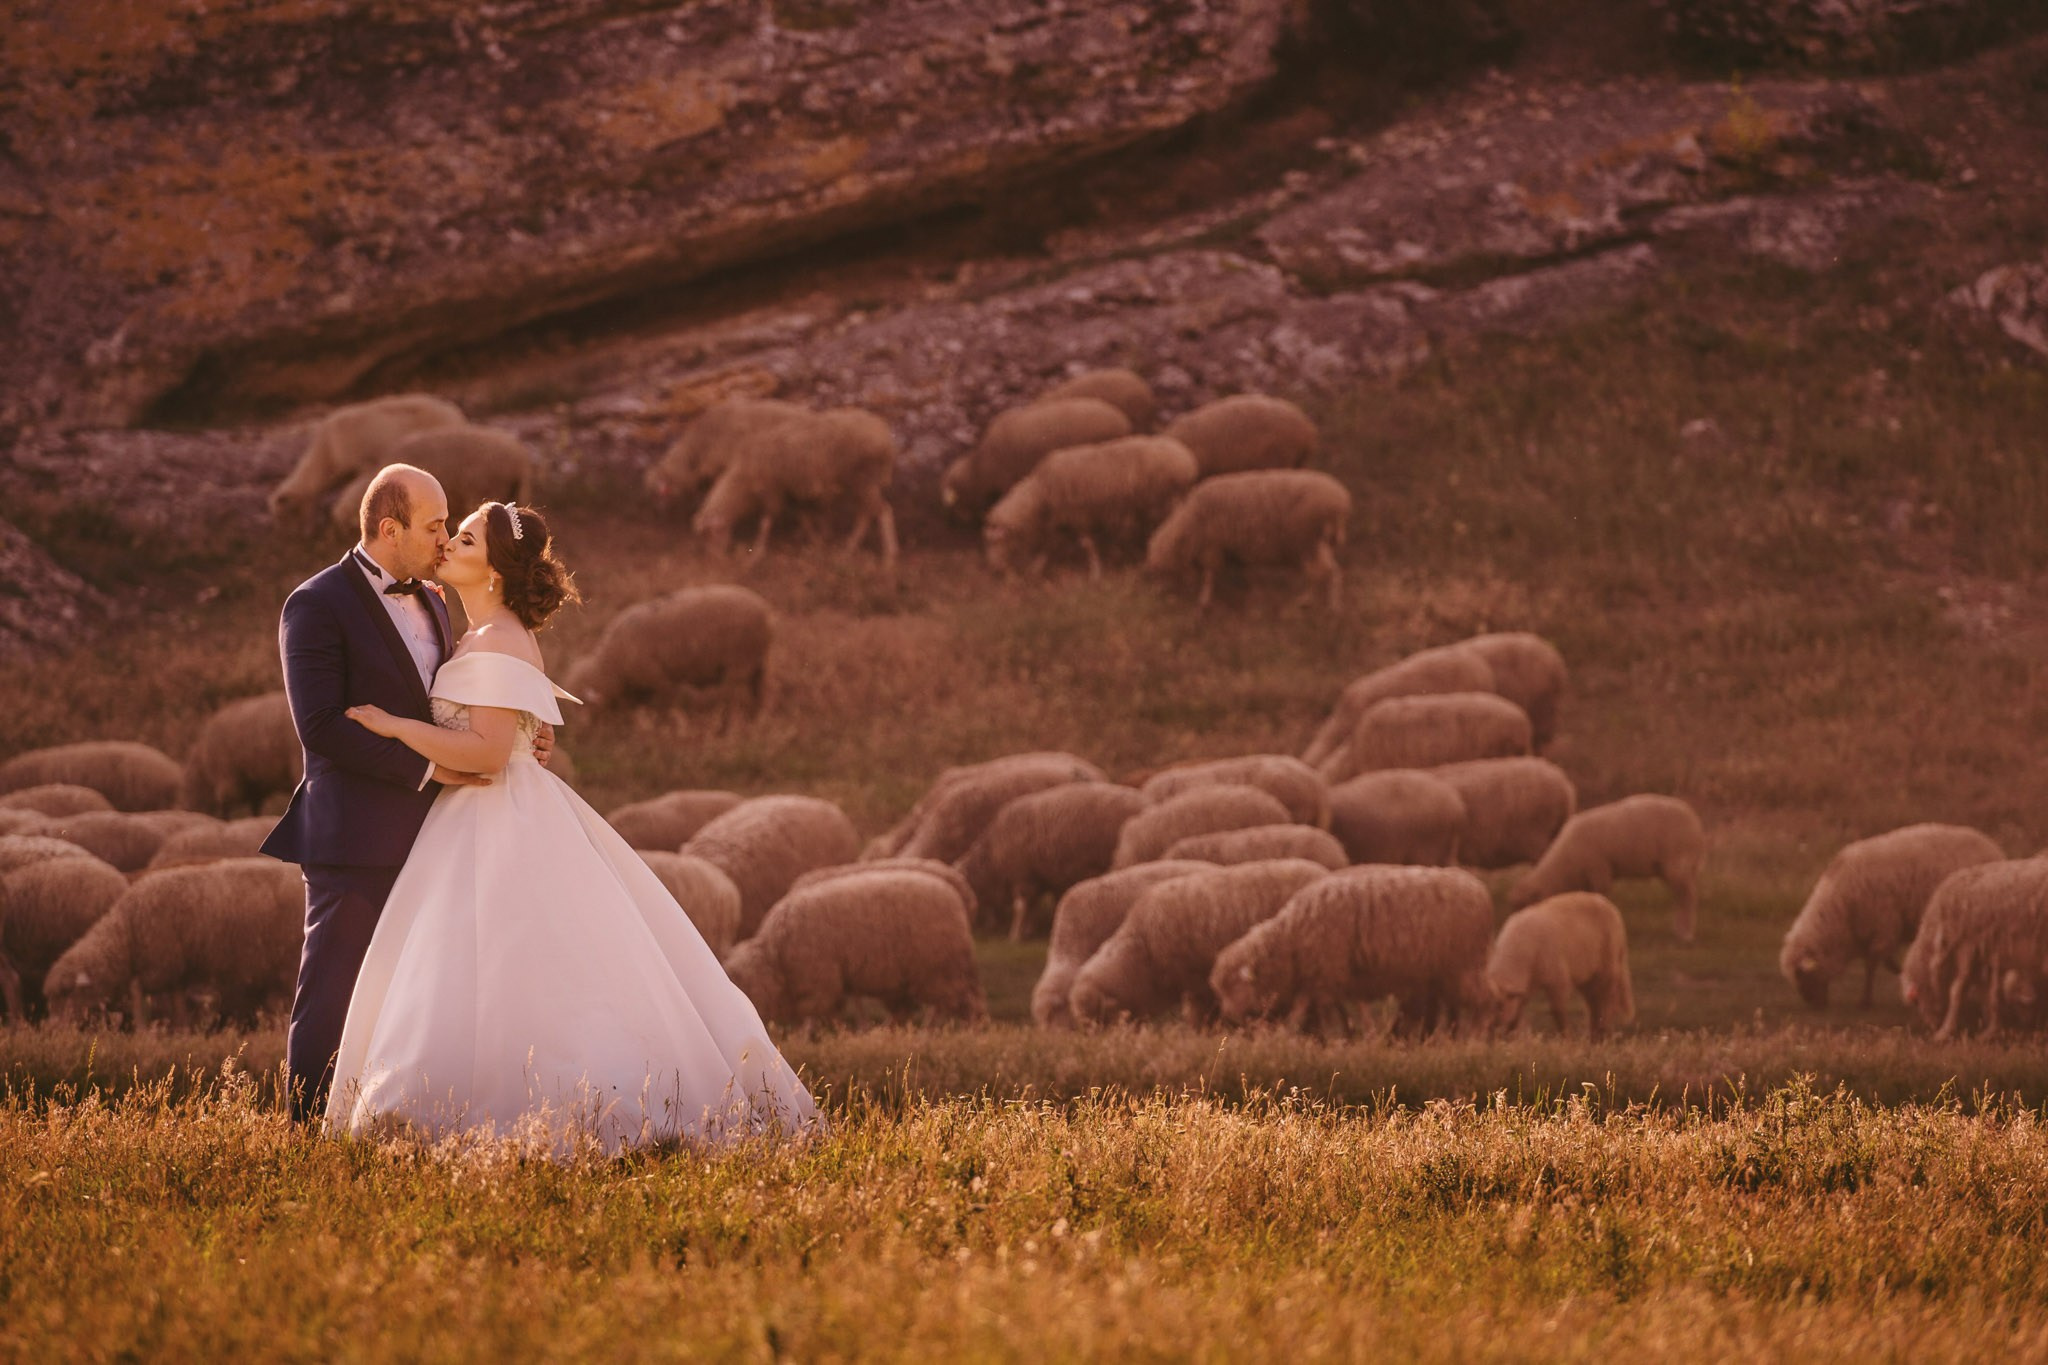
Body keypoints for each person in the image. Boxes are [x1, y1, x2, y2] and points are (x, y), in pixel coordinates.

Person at [326, 500, 817, 1151]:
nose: (448, 543)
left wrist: (396, 728)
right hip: (476, 812)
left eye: (465, 538)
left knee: (511, 961)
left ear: (495, 570)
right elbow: (508, 724)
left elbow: (487, 750)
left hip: (496, 812)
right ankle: (470, 1109)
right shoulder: (477, 633)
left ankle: (554, 1111)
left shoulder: (498, 636)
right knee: (480, 965)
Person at [262, 463, 527, 1123]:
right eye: (435, 525)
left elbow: (459, 705)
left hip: (435, 837)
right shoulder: (316, 603)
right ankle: (305, 1133)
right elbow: (321, 726)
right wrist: (428, 772)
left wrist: (521, 736)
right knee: (332, 993)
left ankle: (387, 1125)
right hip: (353, 839)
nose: (445, 539)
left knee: (414, 1000)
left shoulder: (437, 601)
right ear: (389, 528)